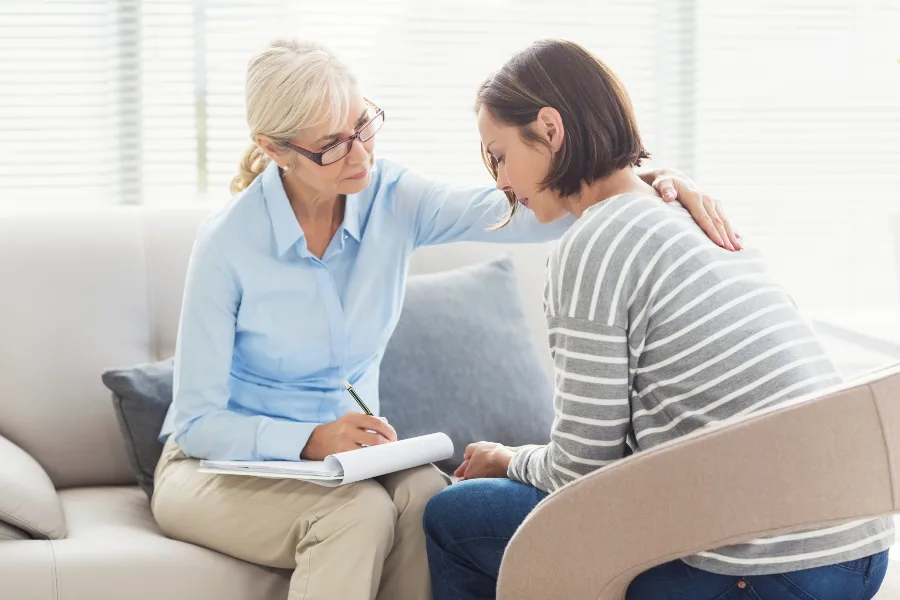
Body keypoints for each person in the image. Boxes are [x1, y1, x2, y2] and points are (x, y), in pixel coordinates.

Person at [150, 38, 739, 600]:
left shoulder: (392, 198)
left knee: (430, 498)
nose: (360, 154)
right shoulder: (228, 243)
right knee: (355, 515)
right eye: (332, 144)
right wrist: (309, 439)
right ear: (276, 149)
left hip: (344, 465)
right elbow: (198, 421)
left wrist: (652, 182)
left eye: (363, 126)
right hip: (215, 469)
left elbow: (538, 204)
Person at [423, 39, 894, 600]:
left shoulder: (592, 245)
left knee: (453, 517)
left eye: (498, 155)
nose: (500, 181)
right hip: (862, 546)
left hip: (769, 567)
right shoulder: (684, 212)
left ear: (550, 129)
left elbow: (579, 471)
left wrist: (506, 459)